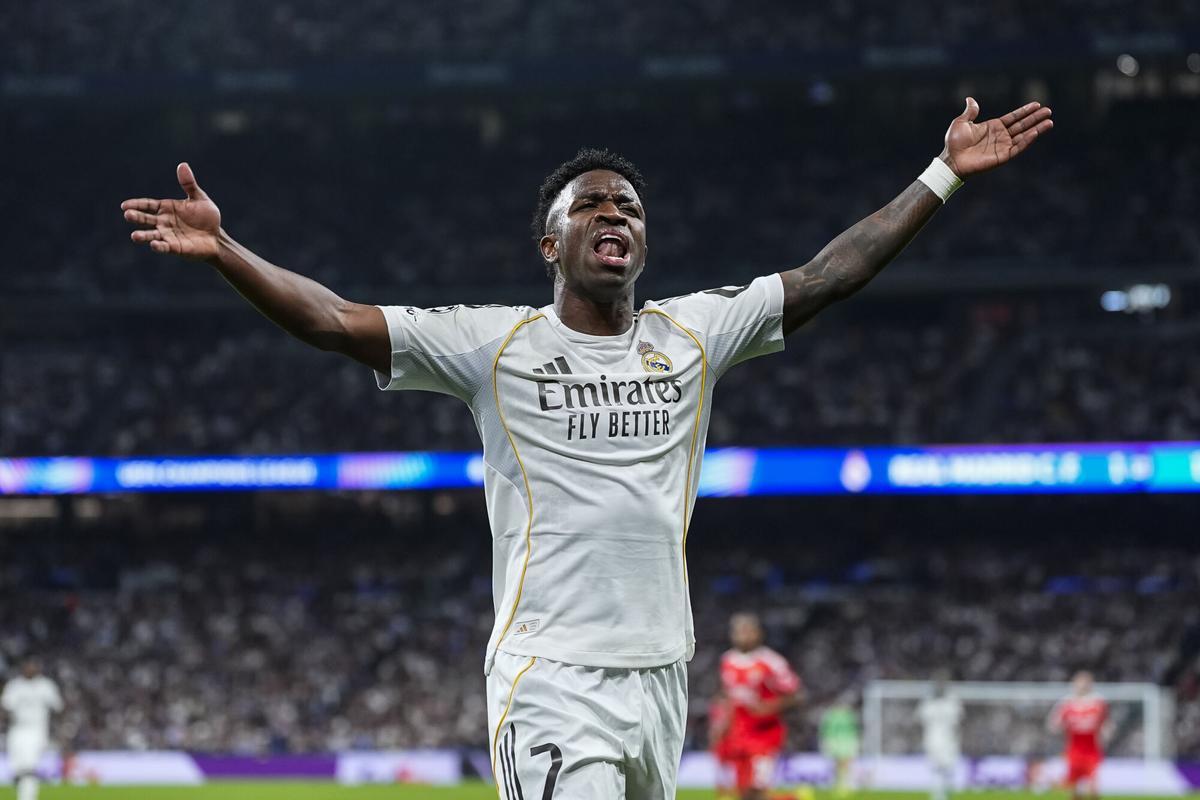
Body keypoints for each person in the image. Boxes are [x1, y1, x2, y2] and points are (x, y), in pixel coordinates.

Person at [121, 97, 1052, 799]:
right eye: (593, 205)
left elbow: (826, 275)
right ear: (549, 243)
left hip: (661, 672)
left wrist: (943, 174)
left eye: (630, 208)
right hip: (551, 675)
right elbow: (333, 319)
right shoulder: (493, 345)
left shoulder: (695, 333)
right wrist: (228, 250)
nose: (615, 214)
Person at [716, 613, 803, 800]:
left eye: (748, 631)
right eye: (738, 631)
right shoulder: (728, 660)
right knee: (744, 792)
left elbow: (796, 695)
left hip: (764, 735)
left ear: (758, 633)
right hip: (738, 734)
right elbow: (728, 697)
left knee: (758, 790)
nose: (743, 635)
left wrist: (768, 707)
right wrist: (722, 725)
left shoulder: (772, 662)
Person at [2, 659, 63, 800]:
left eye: (33, 666)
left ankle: (28, 798)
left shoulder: (46, 686)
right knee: (18, 770)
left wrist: (58, 730)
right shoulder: (15, 686)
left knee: (29, 767)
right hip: (16, 730)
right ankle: (23, 793)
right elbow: (5, 707)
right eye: (27, 666)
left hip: (37, 730)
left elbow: (58, 707)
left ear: (38, 669)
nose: (30, 669)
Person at [1048, 671, 1108, 800]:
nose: (1083, 685)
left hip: (1092, 751)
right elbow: (1054, 725)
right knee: (1074, 789)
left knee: (1093, 788)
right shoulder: (1066, 703)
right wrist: (1062, 728)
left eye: (1086, 682)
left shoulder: (1098, 703)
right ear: (1074, 684)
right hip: (1074, 751)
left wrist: (1104, 733)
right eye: (1080, 682)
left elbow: (1106, 724)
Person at [917, 677, 962, 800]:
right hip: (941, 740)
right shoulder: (950, 702)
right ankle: (940, 795)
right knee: (941, 768)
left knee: (942, 769)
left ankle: (940, 794)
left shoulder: (929, 703)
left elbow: (921, 720)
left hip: (938, 740)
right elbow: (957, 721)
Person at [819, 695, 860, 796]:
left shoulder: (834, 715)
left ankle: (842, 784)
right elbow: (826, 729)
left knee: (842, 764)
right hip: (841, 741)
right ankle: (841, 784)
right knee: (842, 764)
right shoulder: (844, 715)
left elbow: (825, 730)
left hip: (842, 741)